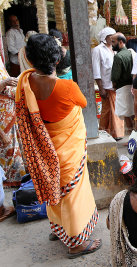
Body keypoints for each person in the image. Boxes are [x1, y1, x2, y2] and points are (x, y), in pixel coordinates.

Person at [15, 34, 101, 258]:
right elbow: (82, 103)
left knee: (53, 189)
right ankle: (76, 244)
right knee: (72, 194)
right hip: (67, 151)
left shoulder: (26, 82)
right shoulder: (66, 87)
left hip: (45, 149)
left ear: (30, 60)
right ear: (56, 60)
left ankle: (58, 229)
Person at [92, 27, 125, 140]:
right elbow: (96, 71)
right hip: (106, 86)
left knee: (113, 110)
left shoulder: (115, 49)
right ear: (104, 38)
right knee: (109, 110)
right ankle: (113, 133)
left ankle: (108, 132)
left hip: (116, 86)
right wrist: (101, 88)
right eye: (110, 37)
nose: (112, 39)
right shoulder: (98, 50)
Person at [0, 56, 25, 187]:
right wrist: (5, 83)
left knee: (14, 150)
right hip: (2, 122)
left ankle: (15, 183)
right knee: (7, 149)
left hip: (8, 115)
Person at [111, 32, 135, 133]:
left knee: (127, 115)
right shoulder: (131, 53)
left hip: (123, 87)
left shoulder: (118, 56)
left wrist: (114, 84)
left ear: (120, 42)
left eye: (113, 42)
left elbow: (115, 76)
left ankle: (131, 137)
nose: (112, 44)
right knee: (132, 113)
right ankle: (135, 135)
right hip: (132, 86)